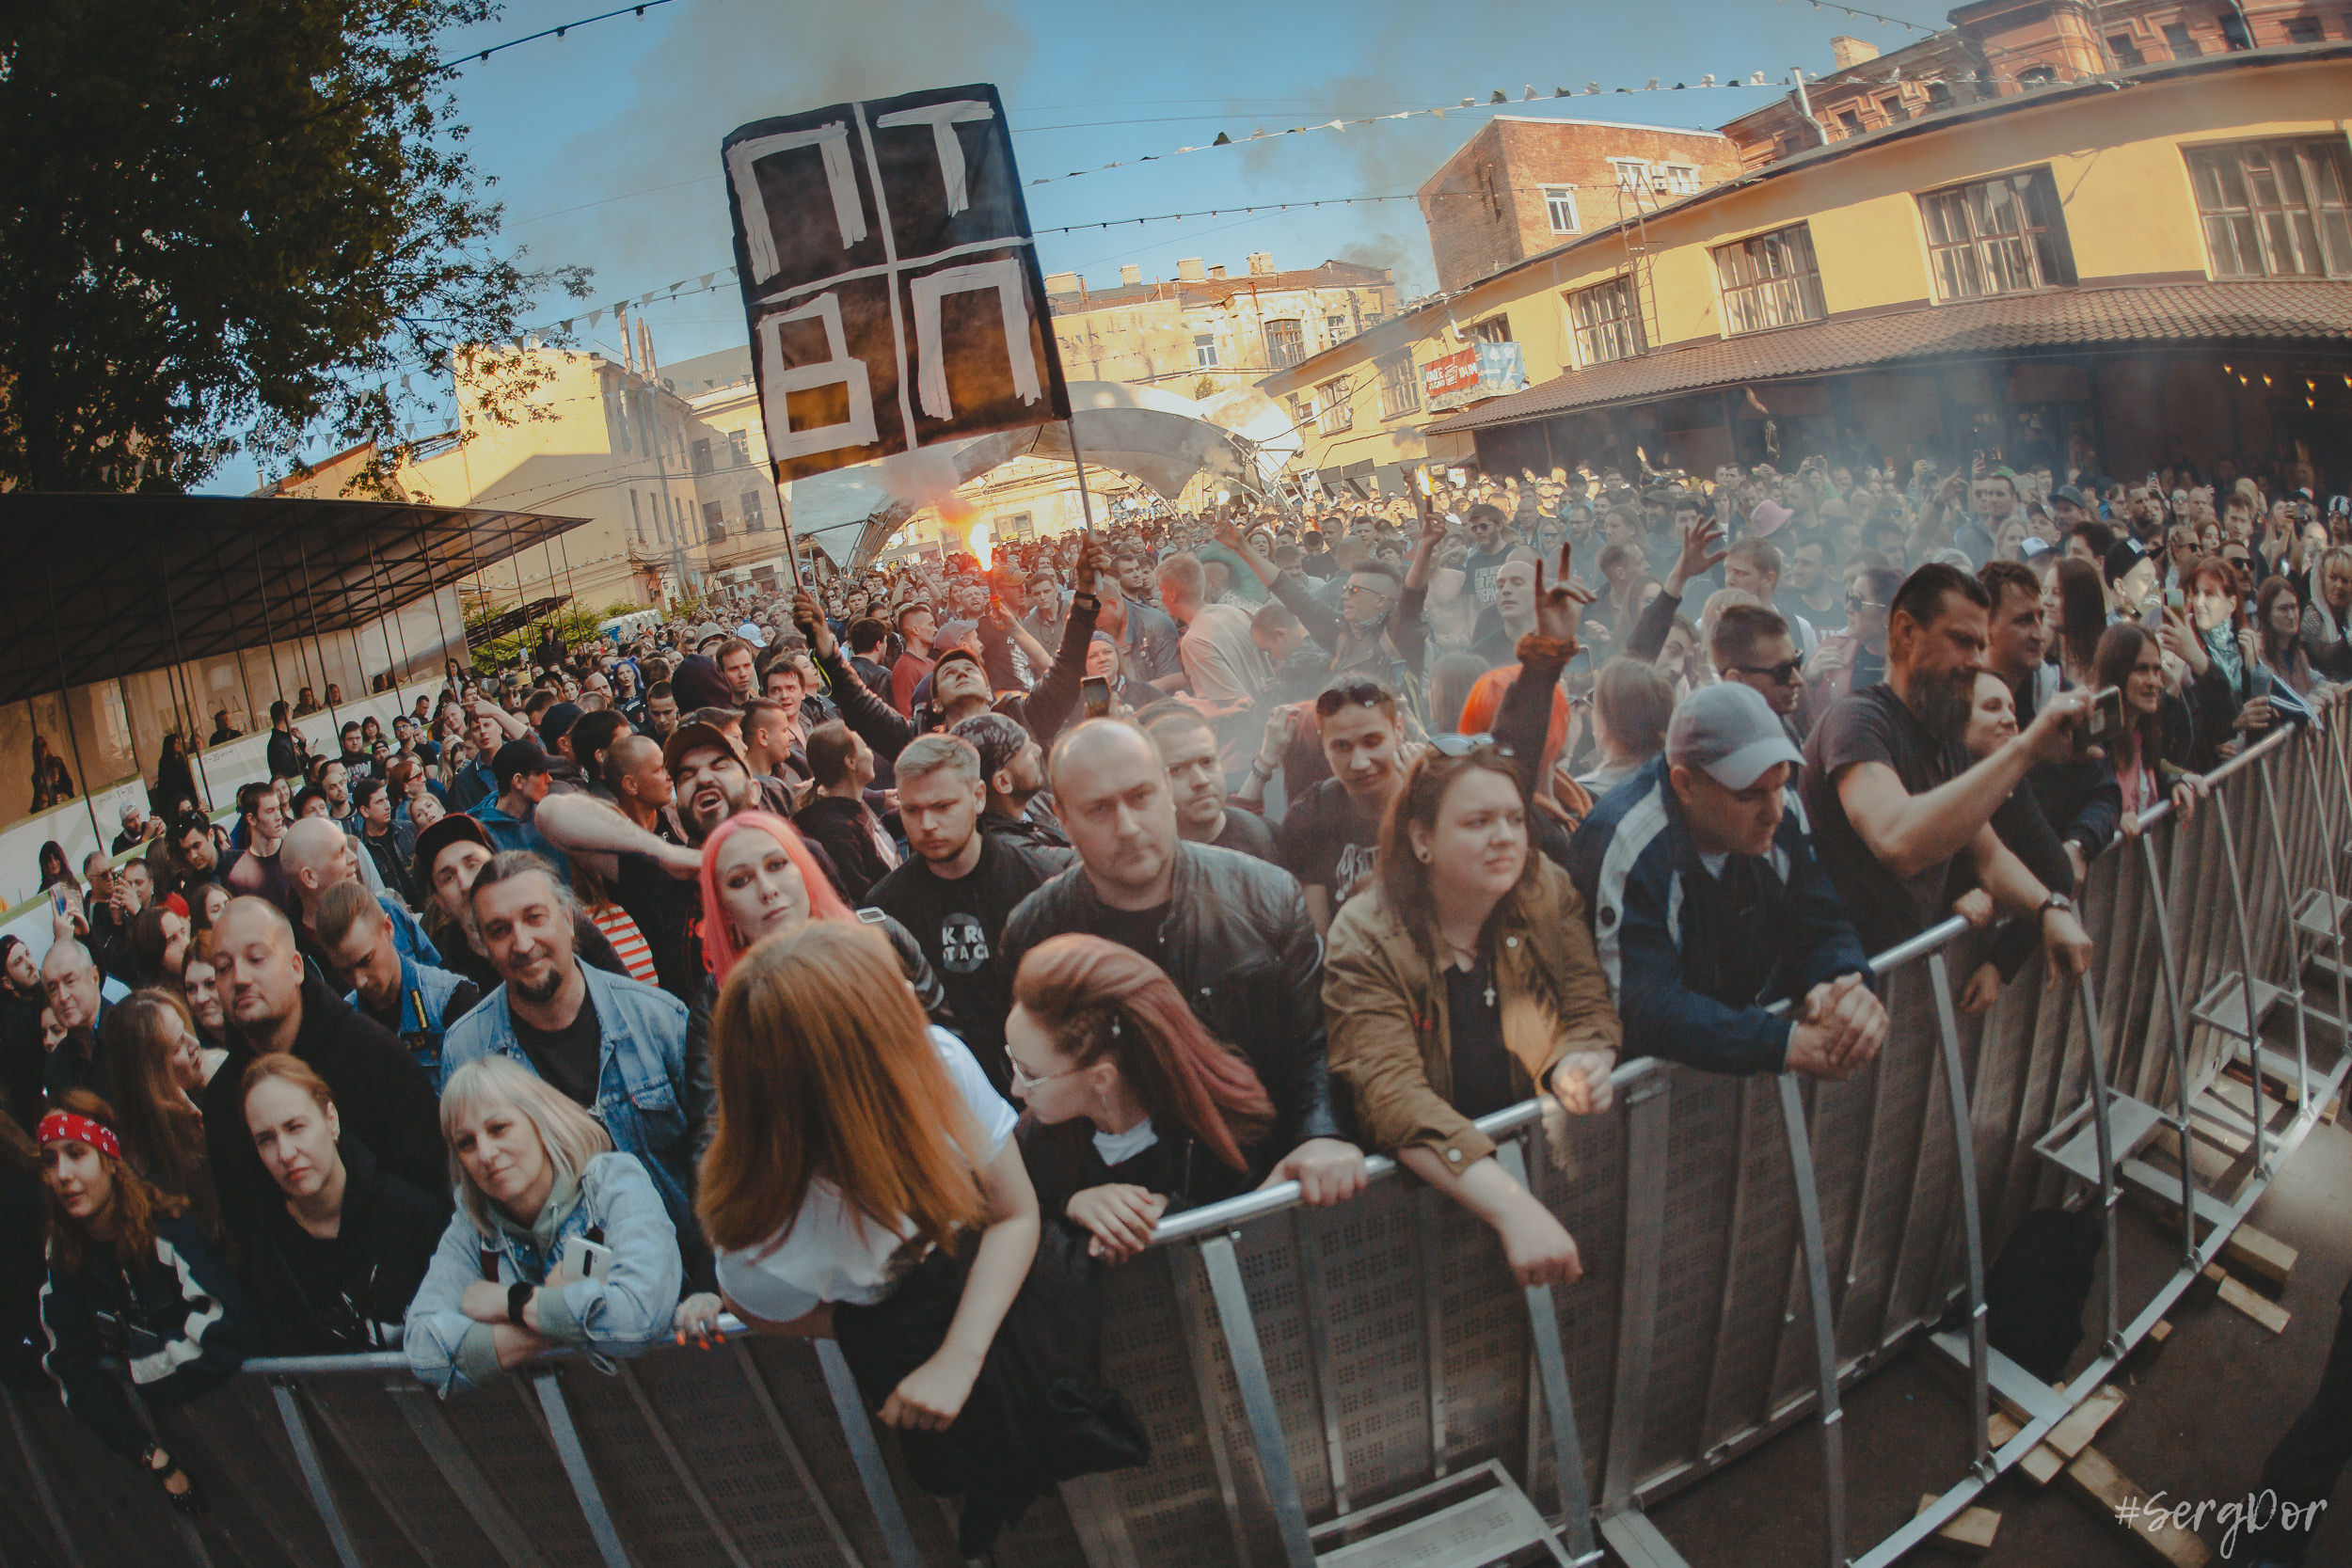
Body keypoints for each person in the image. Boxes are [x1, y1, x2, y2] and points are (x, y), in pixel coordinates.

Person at [701, 923, 1143, 1557]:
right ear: (840, 1073)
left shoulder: (938, 1060)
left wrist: (956, 1356)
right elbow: (752, 1304)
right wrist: (885, 1330)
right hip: (911, 1371)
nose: (919, 1008)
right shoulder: (759, 1232)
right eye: (892, 1007)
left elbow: (1014, 1213)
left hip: (1012, 1295)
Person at [999, 720, 1367, 1204]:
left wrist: (1321, 1133)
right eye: (1099, 809)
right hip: (1134, 1218)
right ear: (1063, 820)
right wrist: (1076, 1195)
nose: (1128, 828)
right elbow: (1035, 1084)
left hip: (1272, 1184)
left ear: (1166, 795)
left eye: (1141, 797)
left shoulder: (1266, 896)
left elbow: (1314, 1043)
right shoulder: (1036, 931)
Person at [1323, 744, 1618, 1285]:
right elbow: (1390, 1096)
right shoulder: (1366, 934)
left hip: (1546, 1184)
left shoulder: (1542, 885)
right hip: (1420, 1222)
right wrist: (1512, 1206)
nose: (1504, 836)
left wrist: (1580, 1060)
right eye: (1478, 822)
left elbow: (1587, 1003)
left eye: (1513, 818)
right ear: (1422, 840)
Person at [1567, 683, 1883, 1077]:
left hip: (1727, 1063)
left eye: (1781, 783)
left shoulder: (1782, 810)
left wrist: (1844, 984)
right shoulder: (1627, 841)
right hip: (1631, 1094)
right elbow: (1644, 1004)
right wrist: (1784, 1044)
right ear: (1685, 784)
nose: (1774, 812)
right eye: (1748, 796)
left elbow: (1819, 919)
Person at [1800, 563, 2098, 971]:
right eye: (1962, 642)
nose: (1977, 661)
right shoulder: (1858, 722)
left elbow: (1989, 856)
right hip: (1846, 988)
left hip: (1906, 980)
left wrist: (2049, 911)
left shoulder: (1946, 737)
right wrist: (2026, 748)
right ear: (1905, 632)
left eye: (1981, 645)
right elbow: (1897, 841)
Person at [437, 852, 712, 1285]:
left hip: (688, 1291)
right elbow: (475, 1205)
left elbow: (717, 1157)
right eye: (500, 930)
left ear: (569, 919)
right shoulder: (468, 1050)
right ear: (483, 946)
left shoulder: (657, 1021)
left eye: (534, 917)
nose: (523, 943)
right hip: (558, 1307)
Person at [405, 1056, 692, 1395]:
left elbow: (640, 1317)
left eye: (498, 1128)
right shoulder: (471, 1224)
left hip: (666, 1398)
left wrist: (510, 1304)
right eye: (466, 1143)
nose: (485, 1153)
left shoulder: (612, 1181)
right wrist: (557, 1316)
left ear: (538, 1121)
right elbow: (425, 1352)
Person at [37, 1092, 258, 1510]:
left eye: (76, 1153)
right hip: (174, 1446)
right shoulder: (62, 1255)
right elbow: (72, 1369)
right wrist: (150, 1455)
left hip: (247, 1423)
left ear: (109, 1157)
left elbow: (227, 1330)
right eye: (49, 1160)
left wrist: (139, 1368)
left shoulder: (169, 1229)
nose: (62, 1174)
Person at [1008, 934, 1278, 1260]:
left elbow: (1258, 1253)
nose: (1016, 1090)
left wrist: (1171, 1219)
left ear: (1102, 1078)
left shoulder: (1226, 1130)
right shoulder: (1033, 1142)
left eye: (1030, 1075)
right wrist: (1072, 1205)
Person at [198, 896, 449, 1227]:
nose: (240, 977)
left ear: (296, 967)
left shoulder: (374, 1056)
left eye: (256, 958)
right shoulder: (222, 1102)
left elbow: (433, 1190)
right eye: (223, 967)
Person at [691, 810, 949, 1087]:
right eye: (740, 881)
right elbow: (713, 1118)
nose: (767, 889)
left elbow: (952, 1055)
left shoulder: (883, 939)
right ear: (723, 908)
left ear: (804, 868)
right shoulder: (716, 1002)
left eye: (777, 865)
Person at [868, 736, 1070, 1086]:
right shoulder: (886, 908)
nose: (927, 824)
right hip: (947, 1088)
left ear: (978, 797)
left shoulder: (1039, 881)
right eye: (912, 810)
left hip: (1044, 1077)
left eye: (943, 806)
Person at [238, 1053, 443, 1354]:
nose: (285, 1153)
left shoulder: (410, 1216)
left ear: (331, 1121)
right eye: (266, 1139)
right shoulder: (267, 1245)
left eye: (295, 1127)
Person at [1275, 678, 1411, 932]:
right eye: (1341, 746)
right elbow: (1321, 937)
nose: (1359, 762)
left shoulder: (1436, 800)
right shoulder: (1310, 815)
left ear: (1399, 731)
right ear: (1324, 745)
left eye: (1372, 742)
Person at [317, 881, 481, 1089]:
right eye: (344, 972)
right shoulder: (342, 1027)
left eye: (365, 961)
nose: (359, 981)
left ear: (388, 928)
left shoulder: (454, 999)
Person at [94, 990, 221, 1238]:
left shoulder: (220, 1074)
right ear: (150, 1073)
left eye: (185, 1028)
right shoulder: (149, 1168)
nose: (194, 1044)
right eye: (176, 1046)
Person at [1139, 705, 1278, 862]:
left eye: (1207, 762)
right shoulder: (1146, 863)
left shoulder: (1268, 837)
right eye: (1176, 770)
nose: (1201, 780)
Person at [793, 721, 899, 901]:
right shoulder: (837, 831)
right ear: (850, 761)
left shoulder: (850, 805)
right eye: (865, 748)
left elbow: (873, 837)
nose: (871, 753)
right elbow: (862, 899)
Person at [227, 779, 296, 915]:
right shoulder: (240, 876)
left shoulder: (294, 852)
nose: (279, 817)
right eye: (270, 811)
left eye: (278, 808)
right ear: (252, 819)